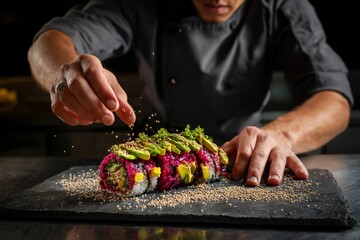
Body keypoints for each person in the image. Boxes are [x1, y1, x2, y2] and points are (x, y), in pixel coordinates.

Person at [28, 0, 353, 187]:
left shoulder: (281, 5)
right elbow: (50, 41)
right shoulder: (141, 3)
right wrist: (64, 72)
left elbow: (334, 98)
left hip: (249, 163)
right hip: (154, 161)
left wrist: (281, 134)